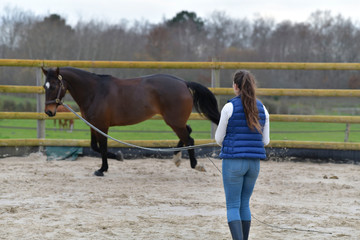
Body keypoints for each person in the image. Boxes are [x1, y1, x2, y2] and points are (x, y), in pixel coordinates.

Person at [215, 70, 270, 240]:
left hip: (233, 163)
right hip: (254, 164)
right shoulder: (263, 108)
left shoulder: (229, 107)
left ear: (236, 86)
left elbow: (218, 139)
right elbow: (265, 141)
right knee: (244, 203)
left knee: (232, 205)